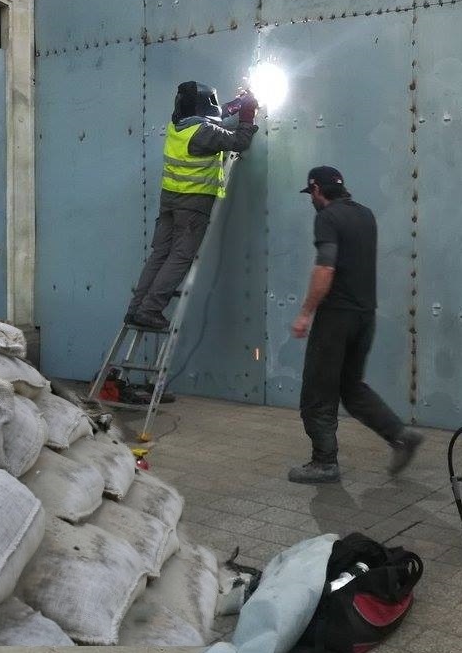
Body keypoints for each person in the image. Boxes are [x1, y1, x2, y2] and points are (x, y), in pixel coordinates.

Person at [288, 165, 422, 484]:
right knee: (351, 387)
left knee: (318, 392)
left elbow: (326, 269)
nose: (312, 200)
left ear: (317, 190)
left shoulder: (327, 217)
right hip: (365, 315)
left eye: (312, 194)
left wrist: (306, 312)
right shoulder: (366, 215)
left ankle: (324, 462)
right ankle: (400, 436)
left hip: (336, 316)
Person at [124, 81, 258, 330]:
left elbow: (215, 117)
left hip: (170, 201)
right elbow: (239, 141)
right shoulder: (204, 133)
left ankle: (135, 309)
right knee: (181, 256)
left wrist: (238, 104)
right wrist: (248, 115)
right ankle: (150, 310)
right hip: (193, 203)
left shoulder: (177, 126)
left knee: (159, 254)